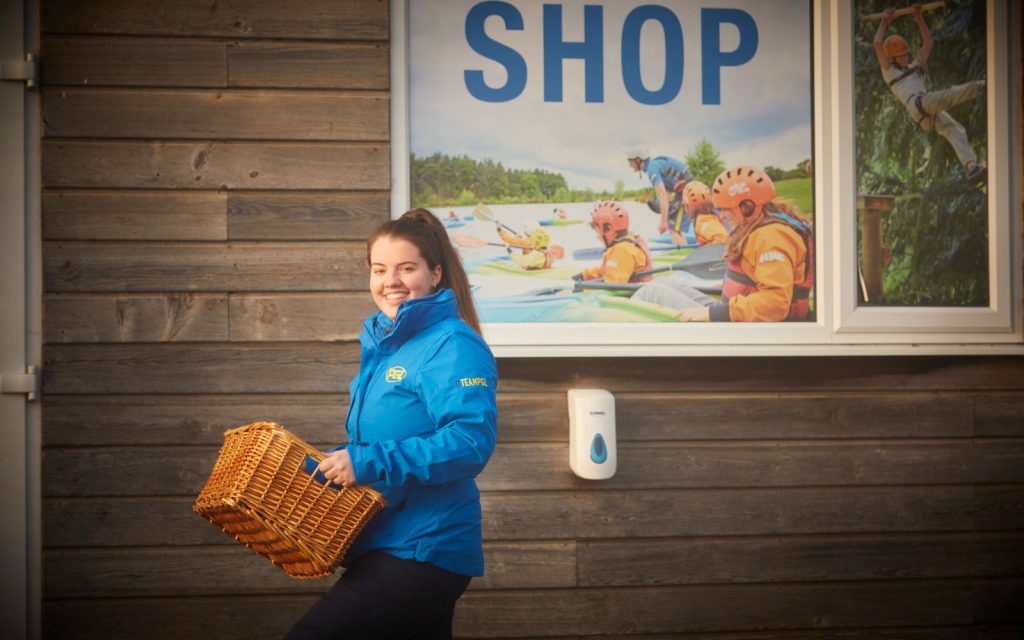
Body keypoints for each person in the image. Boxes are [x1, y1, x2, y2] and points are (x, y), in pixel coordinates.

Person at [285, 209, 498, 640]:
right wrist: (323, 468)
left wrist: (365, 461)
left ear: (435, 273)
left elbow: (470, 442)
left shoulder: (452, 345)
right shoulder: (388, 345)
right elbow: (377, 443)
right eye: (379, 270)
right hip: (386, 540)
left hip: (423, 547)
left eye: (406, 268)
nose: (391, 281)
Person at [676, 166, 814, 322]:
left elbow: (775, 304)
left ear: (746, 207)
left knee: (653, 292)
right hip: (736, 313)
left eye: (725, 209)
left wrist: (711, 314)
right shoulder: (760, 229)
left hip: (741, 324)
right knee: (664, 284)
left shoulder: (771, 237)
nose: (721, 216)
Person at [873, 3, 986, 182]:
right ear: (892, 58)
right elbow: (877, 43)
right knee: (949, 94)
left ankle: (972, 167)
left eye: (905, 54)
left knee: (955, 129)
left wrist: (919, 18)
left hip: (925, 113)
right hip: (919, 105)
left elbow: (928, 42)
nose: (905, 57)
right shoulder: (889, 71)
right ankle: (984, 85)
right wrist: (884, 22)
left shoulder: (915, 66)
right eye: (901, 55)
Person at [572, 200, 653, 284]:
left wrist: (579, 290)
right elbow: (605, 270)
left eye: (597, 232)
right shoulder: (630, 240)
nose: (597, 237)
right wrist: (583, 275)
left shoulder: (622, 251)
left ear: (608, 229)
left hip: (628, 294)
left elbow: (612, 287)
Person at [626, 146, 694, 244]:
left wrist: (663, 222)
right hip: (684, 190)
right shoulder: (654, 165)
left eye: (630, 162)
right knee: (674, 229)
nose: (630, 165)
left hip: (686, 191)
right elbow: (664, 194)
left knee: (673, 229)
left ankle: (681, 254)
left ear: (637, 160)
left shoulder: (652, 169)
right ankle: (681, 250)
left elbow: (663, 195)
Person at [682, 181, 730, 245]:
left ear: (689, 205)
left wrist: (707, 248)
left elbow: (723, 238)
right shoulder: (713, 214)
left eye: (685, 206)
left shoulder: (702, 221)